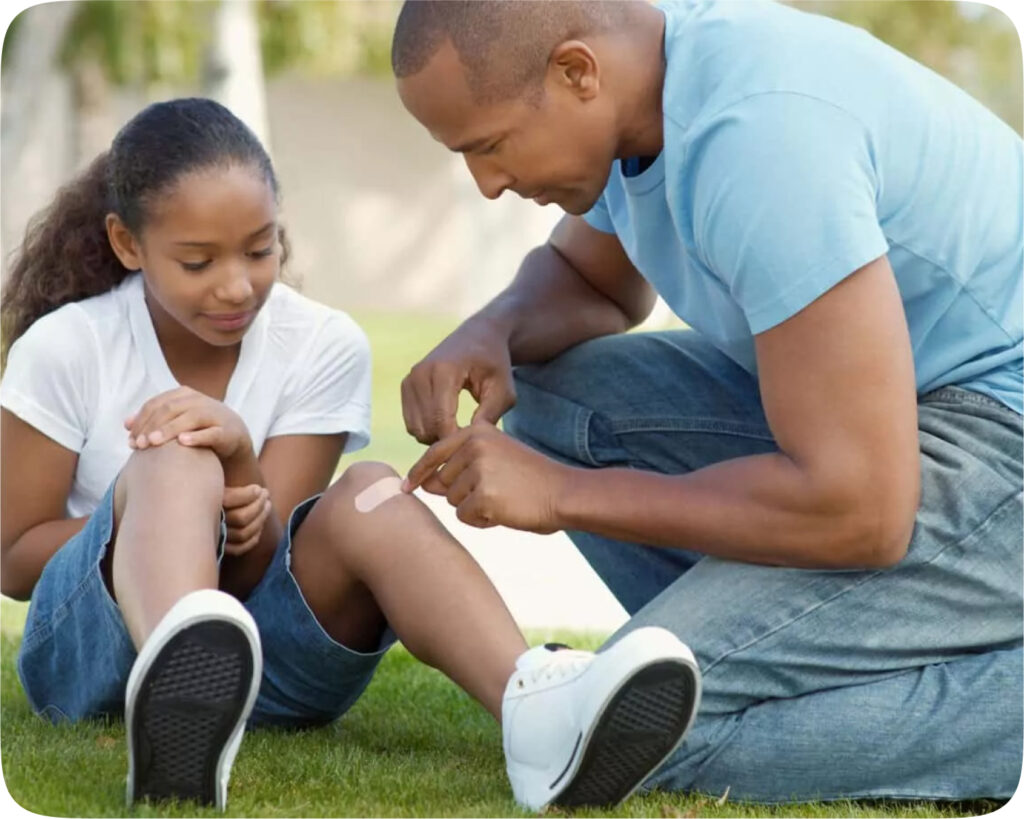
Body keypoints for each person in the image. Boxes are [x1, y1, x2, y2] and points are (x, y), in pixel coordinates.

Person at [392, 0, 1023, 803]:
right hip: (884, 419)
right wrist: (493, 329)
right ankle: (817, 639)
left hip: (996, 432)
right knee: (555, 394)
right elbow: (594, 282)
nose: (487, 185)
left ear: (577, 72)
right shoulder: (647, 82)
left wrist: (562, 494)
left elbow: (863, 509)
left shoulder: (759, 140)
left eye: (490, 145)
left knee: (642, 738)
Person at [0, 97, 702, 813]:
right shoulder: (67, 347)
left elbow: (260, 564)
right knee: (176, 459)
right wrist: (153, 508)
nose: (236, 284)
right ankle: (173, 689)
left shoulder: (322, 345)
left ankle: (538, 712)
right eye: (197, 261)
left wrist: (240, 466)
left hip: (267, 663)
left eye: (259, 248)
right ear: (127, 243)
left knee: (371, 490)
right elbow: (15, 558)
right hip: (95, 652)